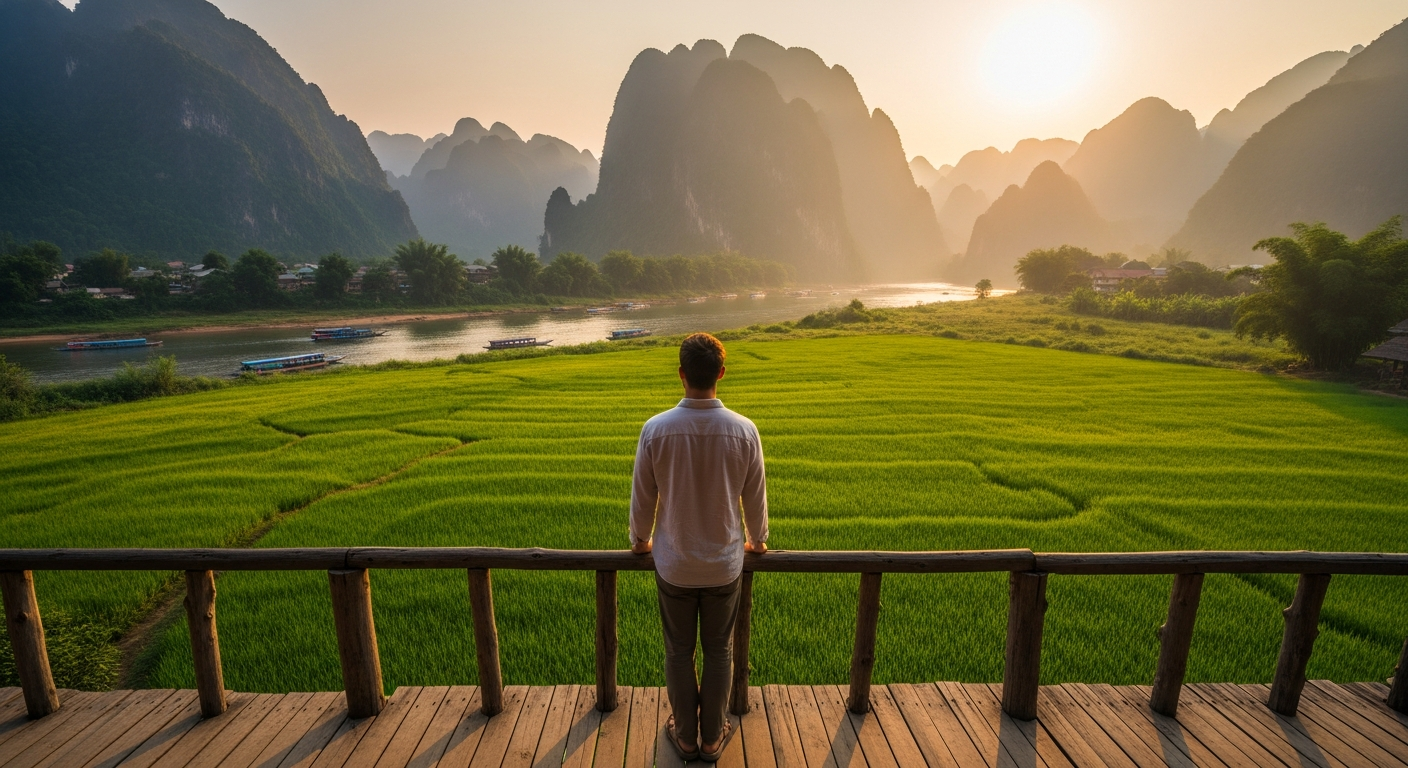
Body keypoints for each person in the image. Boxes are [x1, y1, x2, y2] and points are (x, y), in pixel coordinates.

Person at [630, 332, 768, 762]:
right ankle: (712, 740)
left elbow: (643, 497)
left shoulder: (656, 429)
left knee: (678, 650)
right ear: (721, 374)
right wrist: (758, 540)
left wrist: (639, 541)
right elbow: (755, 497)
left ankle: (685, 738)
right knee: (719, 650)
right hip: (725, 566)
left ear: (681, 374)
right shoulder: (744, 430)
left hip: (673, 564)